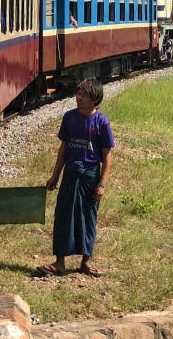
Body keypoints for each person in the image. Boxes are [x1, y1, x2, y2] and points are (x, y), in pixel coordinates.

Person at [36, 78, 114, 277]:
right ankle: (59, 263)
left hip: (89, 177)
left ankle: (85, 262)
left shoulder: (101, 123)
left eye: (83, 95)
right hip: (70, 175)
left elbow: (107, 156)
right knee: (63, 216)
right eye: (78, 93)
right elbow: (63, 149)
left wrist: (102, 183)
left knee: (88, 218)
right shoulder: (69, 118)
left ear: (94, 99)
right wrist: (55, 176)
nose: (78, 98)